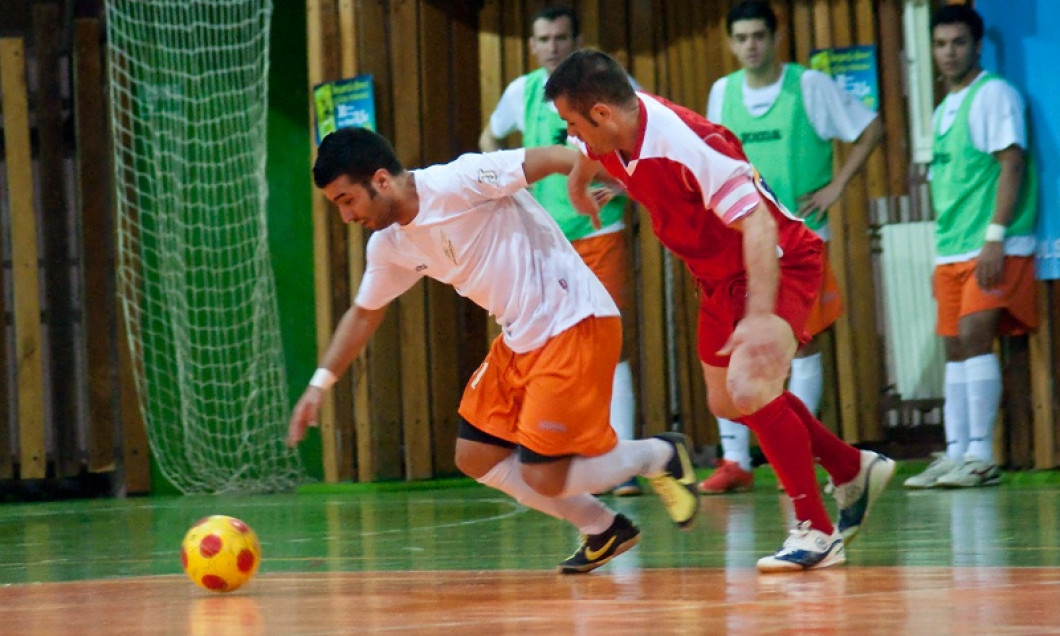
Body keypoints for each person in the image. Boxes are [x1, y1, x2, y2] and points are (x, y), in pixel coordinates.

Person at [286, 127, 699, 574]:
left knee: (545, 474)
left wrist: (579, 183)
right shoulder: (389, 245)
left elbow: (555, 156)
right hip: (520, 337)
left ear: (381, 180)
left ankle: (660, 454)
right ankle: (603, 527)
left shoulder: (460, 181)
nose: (346, 215)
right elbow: (365, 314)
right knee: (476, 455)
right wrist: (318, 386)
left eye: (347, 200)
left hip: (572, 320)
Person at [543, 49, 896, 572]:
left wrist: (758, 316)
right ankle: (850, 467)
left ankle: (816, 530)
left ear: (602, 114)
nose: (571, 133)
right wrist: (578, 185)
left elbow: (758, 224)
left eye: (574, 122)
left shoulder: (688, 142)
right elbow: (583, 151)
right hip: (716, 276)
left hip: (776, 260)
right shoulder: (606, 128)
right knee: (729, 402)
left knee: (752, 388)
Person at [699, 0, 884, 495]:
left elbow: (871, 128)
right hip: (741, 243)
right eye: (741, 38)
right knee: (732, 347)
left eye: (759, 35)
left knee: (802, 346)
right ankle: (735, 460)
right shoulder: (722, 92)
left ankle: (797, 453)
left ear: (775, 37)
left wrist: (837, 186)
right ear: (730, 42)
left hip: (800, 242)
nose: (750, 45)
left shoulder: (809, 85)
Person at [480, 6, 641, 496]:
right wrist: (502, 185)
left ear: (577, 40)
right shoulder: (521, 92)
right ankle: (568, 455)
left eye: (560, 37)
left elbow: (637, 146)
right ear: (532, 45)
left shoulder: (606, 88)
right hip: (544, 244)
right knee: (547, 346)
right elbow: (491, 138)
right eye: (543, 38)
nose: (552, 45)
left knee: (608, 345)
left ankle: (624, 460)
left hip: (597, 234)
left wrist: (621, 184)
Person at [903, 5, 1038, 489]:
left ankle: (981, 455)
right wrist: (940, 253)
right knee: (955, 347)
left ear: (977, 45)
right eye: (940, 44)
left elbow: (1012, 163)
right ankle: (956, 451)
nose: (949, 53)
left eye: (958, 43)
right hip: (951, 249)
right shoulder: (942, 110)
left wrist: (995, 236)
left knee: (977, 338)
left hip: (991, 245)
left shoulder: (994, 94)